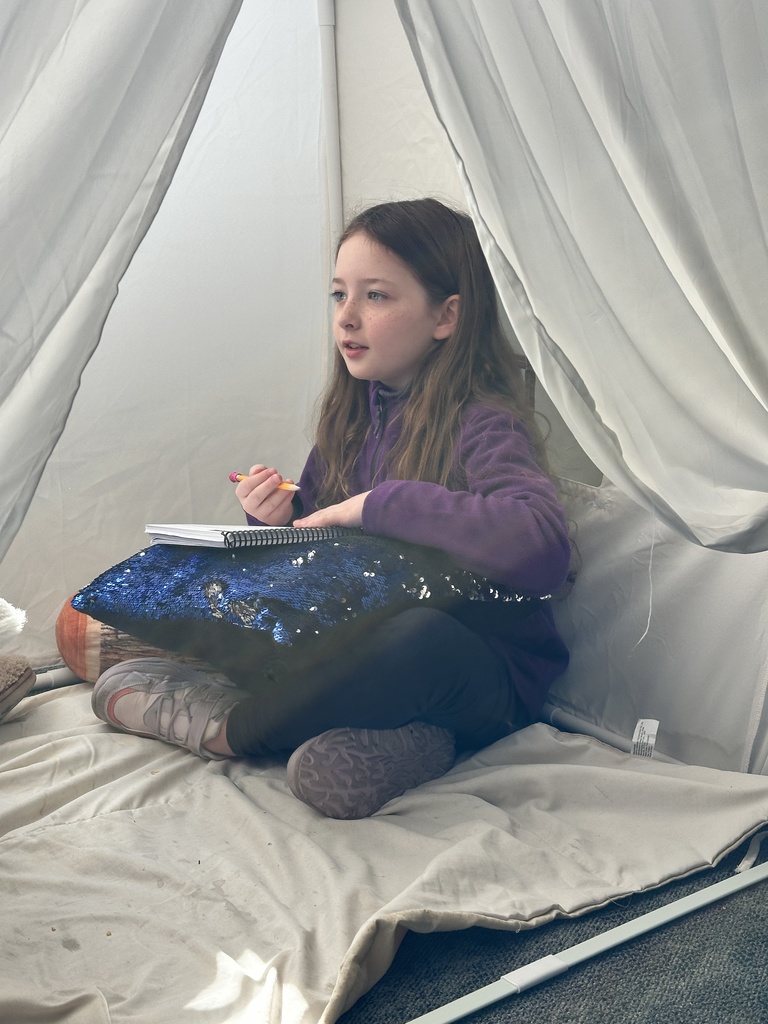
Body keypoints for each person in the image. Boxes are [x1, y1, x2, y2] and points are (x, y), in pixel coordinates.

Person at [91, 198, 572, 818]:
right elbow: (320, 556)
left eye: (375, 296)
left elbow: (542, 546)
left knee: (418, 638)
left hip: (479, 674)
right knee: (183, 589)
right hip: (364, 645)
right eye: (338, 295)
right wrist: (276, 525)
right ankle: (415, 743)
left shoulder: (484, 422)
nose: (346, 318)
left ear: (445, 315)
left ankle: (231, 731)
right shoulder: (349, 421)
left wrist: (378, 505)